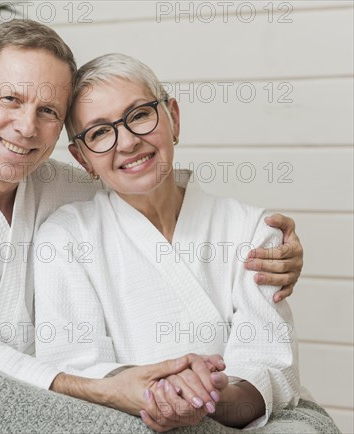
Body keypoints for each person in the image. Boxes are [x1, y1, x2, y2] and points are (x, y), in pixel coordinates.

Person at [0, 20, 305, 433]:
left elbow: (141, 183)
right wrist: (106, 388)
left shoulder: (69, 185)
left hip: (60, 416)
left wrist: (273, 249)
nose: (26, 127)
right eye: (11, 99)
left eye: (49, 111)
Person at [33, 53, 338, 432]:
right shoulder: (64, 239)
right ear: (82, 159)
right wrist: (160, 390)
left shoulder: (252, 230)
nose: (127, 141)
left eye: (140, 114)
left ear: (173, 118)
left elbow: (270, 366)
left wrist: (204, 396)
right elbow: (74, 368)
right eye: (99, 132)